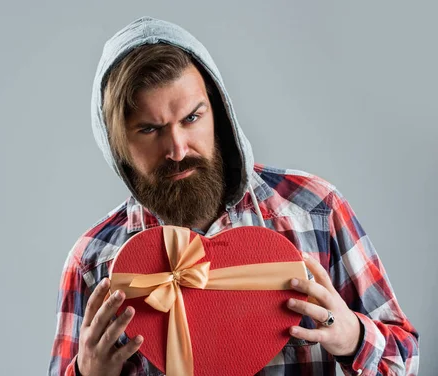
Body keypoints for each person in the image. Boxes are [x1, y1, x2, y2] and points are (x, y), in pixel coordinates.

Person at [48, 16, 419, 376]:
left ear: (218, 112)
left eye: (192, 118)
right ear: (118, 146)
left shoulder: (315, 210)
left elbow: (406, 360)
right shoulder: (93, 263)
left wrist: (353, 338)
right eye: (150, 129)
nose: (177, 148)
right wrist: (86, 373)